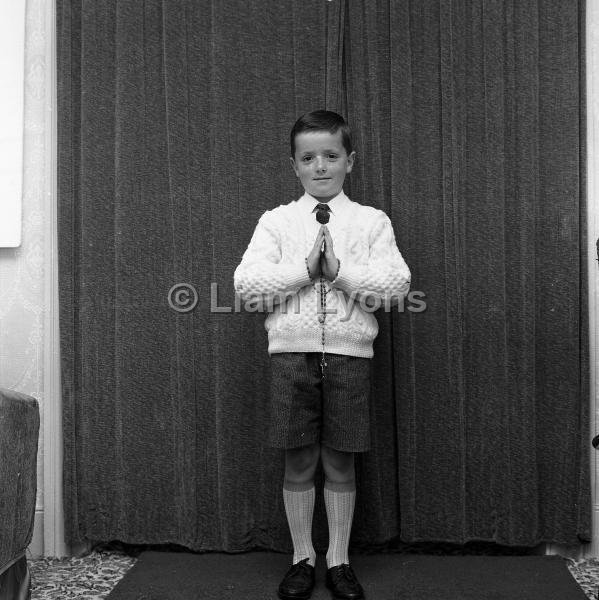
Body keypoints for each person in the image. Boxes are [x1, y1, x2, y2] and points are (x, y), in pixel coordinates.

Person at [234, 110, 410, 600]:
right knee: (299, 460)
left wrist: (340, 272)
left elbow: (396, 285)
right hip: (291, 357)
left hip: (351, 358)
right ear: (294, 165)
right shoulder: (276, 222)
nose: (320, 166)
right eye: (308, 158)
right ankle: (301, 559)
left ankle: (339, 561)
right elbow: (246, 285)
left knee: (340, 461)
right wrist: (304, 270)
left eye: (330, 156)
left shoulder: (373, 223)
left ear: (349, 161)